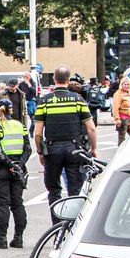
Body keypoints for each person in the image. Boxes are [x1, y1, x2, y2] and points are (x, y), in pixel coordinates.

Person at [33, 65, 98, 223]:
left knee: (54, 189)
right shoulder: (78, 99)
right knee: (75, 190)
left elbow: (37, 132)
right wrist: (94, 148)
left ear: (54, 80)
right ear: (68, 81)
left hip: (52, 149)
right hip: (74, 149)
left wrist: (40, 152)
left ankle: (57, 228)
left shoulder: (45, 101)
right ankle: (73, 225)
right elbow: (91, 127)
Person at [0, 99, 31, 249]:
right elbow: (28, 148)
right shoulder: (21, 125)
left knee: (2, 205)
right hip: (18, 169)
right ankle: (18, 238)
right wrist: (19, 165)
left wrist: (9, 164)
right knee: (17, 204)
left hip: (2, 169)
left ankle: (1, 238)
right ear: (11, 110)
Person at [111, 76, 130, 145]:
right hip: (122, 119)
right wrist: (117, 119)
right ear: (121, 85)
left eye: (128, 84)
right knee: (122, 138)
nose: (126, 86)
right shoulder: (118, 94)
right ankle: (120, 153)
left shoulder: (129, 93)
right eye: (124, 84)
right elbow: (115, 108)